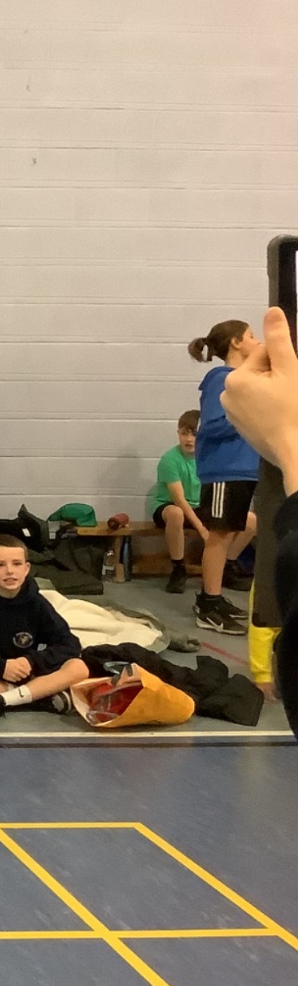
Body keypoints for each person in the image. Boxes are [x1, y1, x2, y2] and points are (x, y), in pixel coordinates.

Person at [220, 305, 298, 734]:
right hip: (251, 475)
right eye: (248, 336)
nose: (254, 341)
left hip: (269, 469)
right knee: (261, 574)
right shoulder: (229, 383)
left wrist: (287, 445)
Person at [0, 534, 87, 721]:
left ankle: (4, 700)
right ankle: (37, 698)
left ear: (27, 569)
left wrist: (31, 661)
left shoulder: (36, 602)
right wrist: (0, 666)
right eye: (0, 565)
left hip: (27, 673)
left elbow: (69, 644)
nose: (9, 571)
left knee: (78, 667)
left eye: (17, 564)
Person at [189, 320, 261, 634]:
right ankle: (209, 604)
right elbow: (214, 425)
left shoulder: (245, 381)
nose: (257, 341)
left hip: (243, 469)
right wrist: (250, 414)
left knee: (231, 532)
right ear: (235, 342)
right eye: (252, 336)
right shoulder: (221, 379)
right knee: (218, 537)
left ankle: (215, 595)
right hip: (223, 470)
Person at [145, 409, 209, 595]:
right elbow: (179, 500)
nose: (189, 439)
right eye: (184, 433)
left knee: (250, 520)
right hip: (167, 506)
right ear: (178, 433)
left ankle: (228, 565)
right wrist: (202, 530)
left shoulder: (209, 458)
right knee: (176, 513)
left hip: (197, 506)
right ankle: (178, 568)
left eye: (194, 434)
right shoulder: (170, 460)